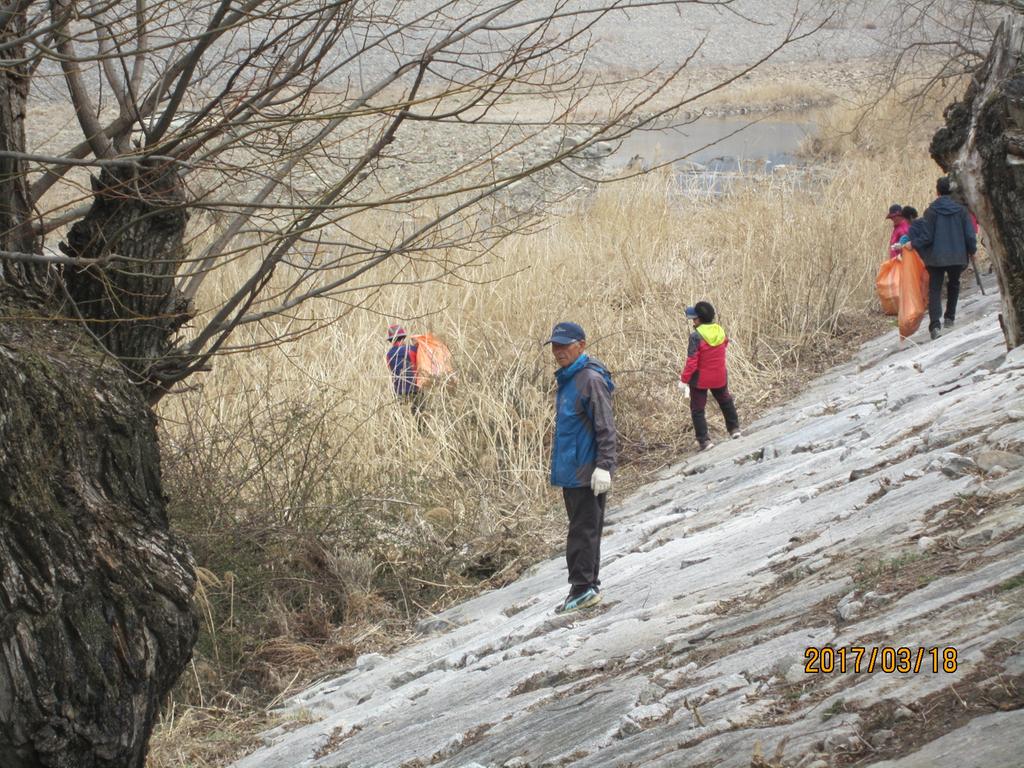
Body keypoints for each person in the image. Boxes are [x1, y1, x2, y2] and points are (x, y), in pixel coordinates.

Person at [544, 321, 616, 614]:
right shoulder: (570, 378)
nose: (559, 351)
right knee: (586, 528)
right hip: (572, 470)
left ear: (581, 345)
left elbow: (606, 428)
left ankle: (582, 588)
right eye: (555, 346)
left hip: (586, 472)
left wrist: (604, 466)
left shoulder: (590, 380)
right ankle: (589, 584)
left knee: (582, 531)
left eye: (565, 345)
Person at [909, 177, 977, 340]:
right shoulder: (961, 210)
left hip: (936, 257)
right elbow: (969, 234)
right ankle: (949, 318)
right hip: (957, 255)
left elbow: (927, 237)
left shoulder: (931, 211)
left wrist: (913, 244)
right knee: (954, 284)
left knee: (935, 289)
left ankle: (934, 325)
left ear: (937, 191)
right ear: (951, 191)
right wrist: (972, 249)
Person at [679, 301, 740, 451]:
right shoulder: (720, 330)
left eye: (694, 318)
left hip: (701, 379)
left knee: (697, 409)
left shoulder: (696, 337)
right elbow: (724, 344)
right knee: (725, 400)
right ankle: (735, 430)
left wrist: (684, 380)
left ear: (699, 320)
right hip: (720, 375)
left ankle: (704, 441)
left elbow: (692, 362)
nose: (693, 321)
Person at [385, 324, 423, 415]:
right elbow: (420, 365)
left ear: (391, 341)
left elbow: (391, 370)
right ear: (403, 338)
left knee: (401, 418)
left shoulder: (388, 355)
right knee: (419, 417)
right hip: (415, 389)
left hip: (399, 390)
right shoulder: (412, 349)